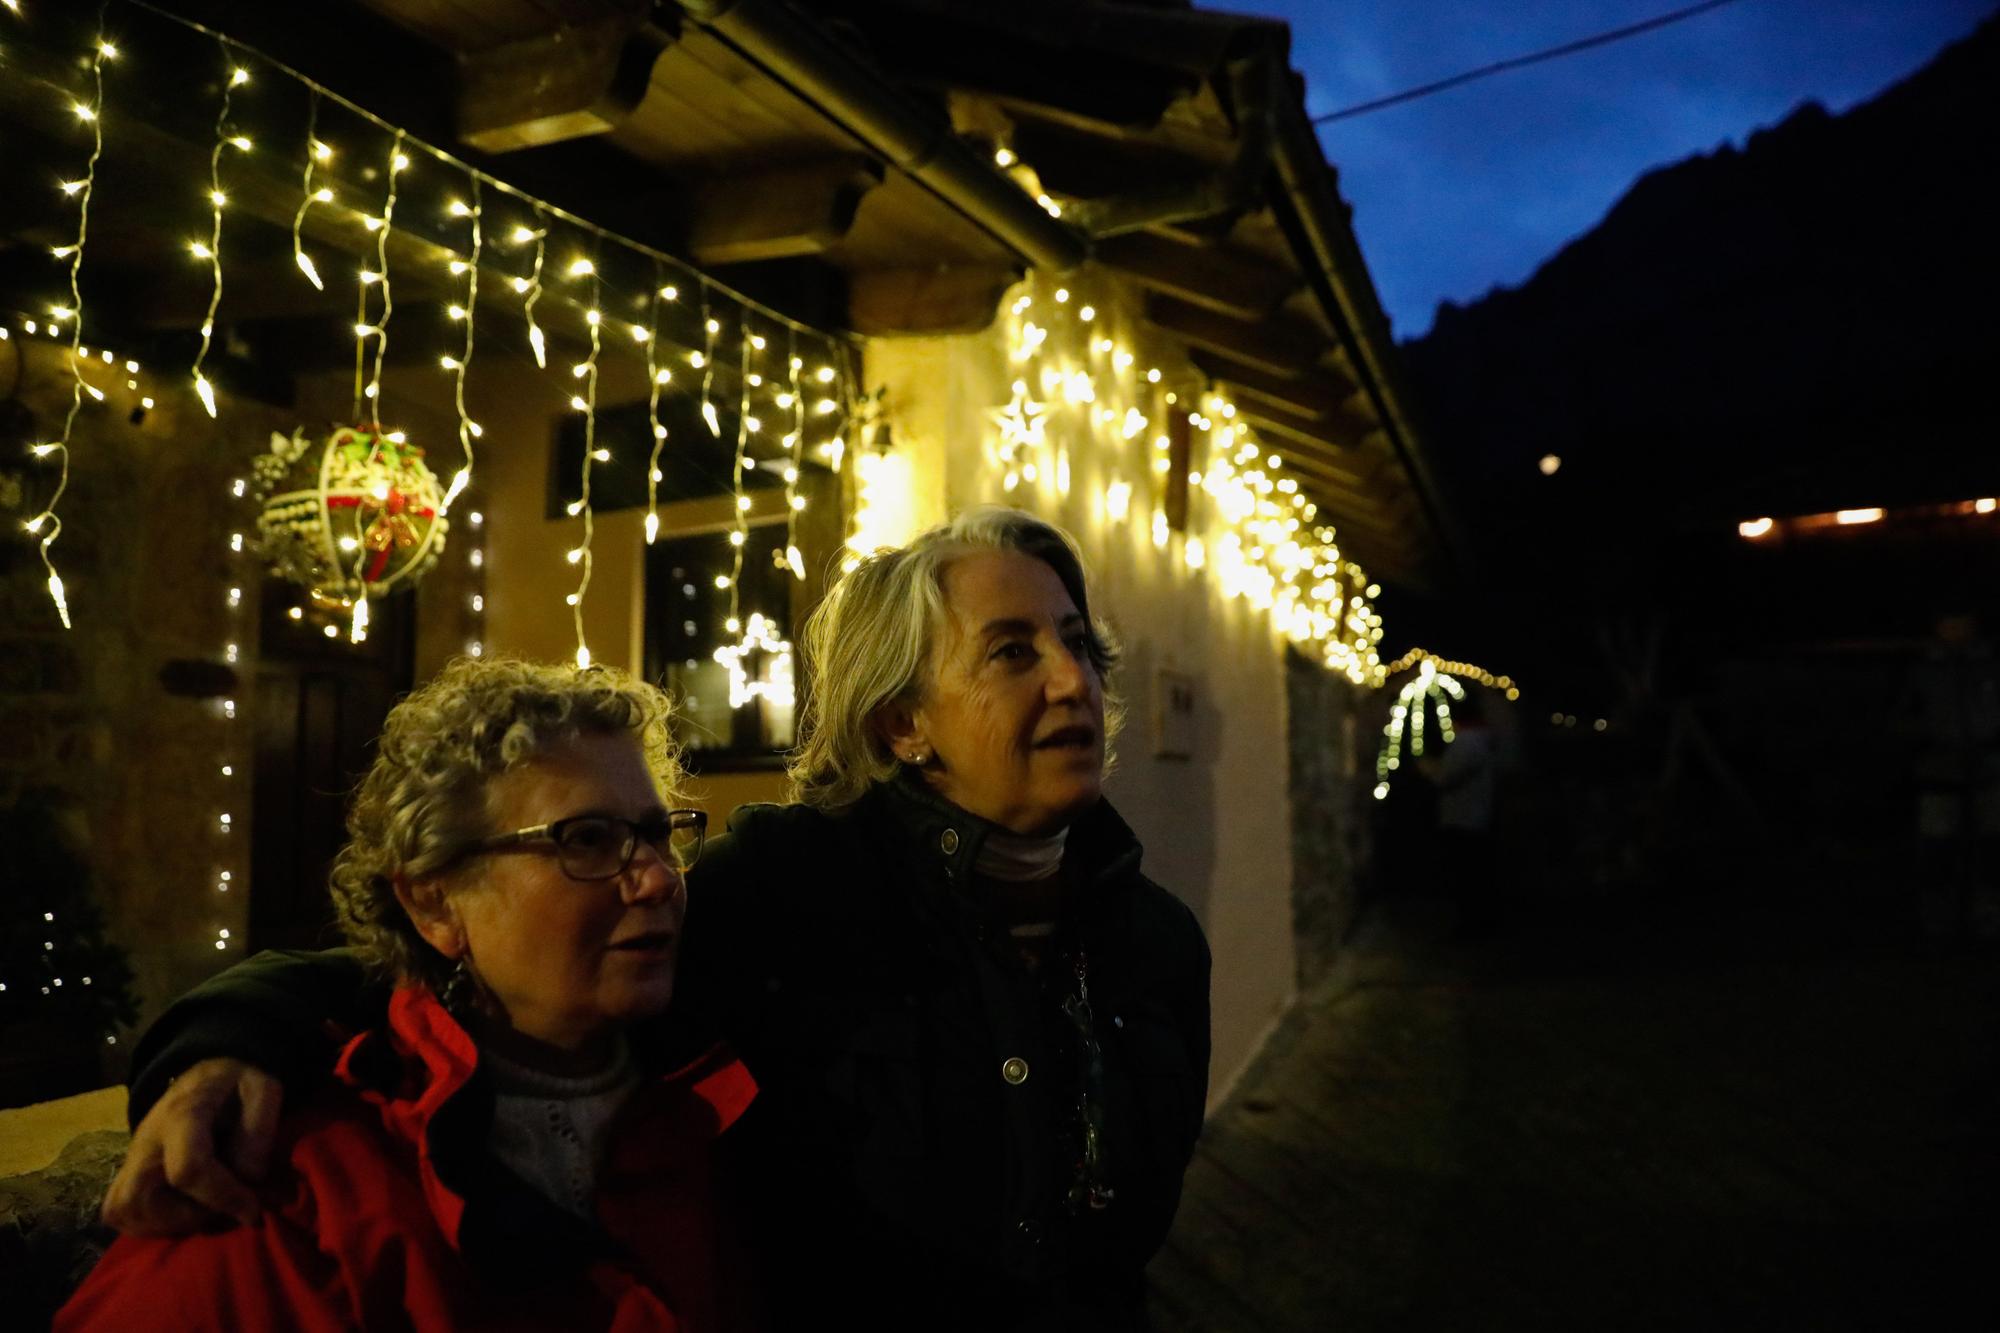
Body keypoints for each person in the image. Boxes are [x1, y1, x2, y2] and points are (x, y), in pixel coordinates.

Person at [102, 507, 1212, 1331]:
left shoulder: (1156, 943)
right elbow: (460, 982)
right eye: (1012, 650)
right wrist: (222, 1042)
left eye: (1081, 644)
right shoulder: (790, 887)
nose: (1072, 681)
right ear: (902, 722)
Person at [62, 658, 755, 1330]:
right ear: (435, 902)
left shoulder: (719, 1104)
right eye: (589, 839)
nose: (660, 879)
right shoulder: (295, 1187)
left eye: (660, 834)